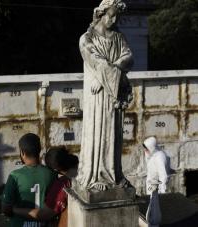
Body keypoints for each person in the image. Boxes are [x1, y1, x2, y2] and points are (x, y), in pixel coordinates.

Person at [77, 0, 134, 191]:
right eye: (110, 14)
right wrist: (109, 74)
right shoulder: (87, 38)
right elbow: (96, 61)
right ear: (101, 14)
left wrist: (106, 76)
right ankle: (94, 176)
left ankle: (113, 173)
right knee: (97, 132)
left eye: (117, 16)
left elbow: (129, 58)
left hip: (112, 94)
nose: (114, 19)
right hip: (97, 98)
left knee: (113, 135)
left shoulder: (119, 37)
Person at [12, 147, 79, 227]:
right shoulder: (86, 169)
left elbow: (44, 214)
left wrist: (15, 210)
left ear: (55, 169)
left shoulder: (62, 185)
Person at [2, 133, 56, 227]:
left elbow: (6, 209)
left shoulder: (15, 176)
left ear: (22, 153)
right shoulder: (52, 174)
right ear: (39, 150)